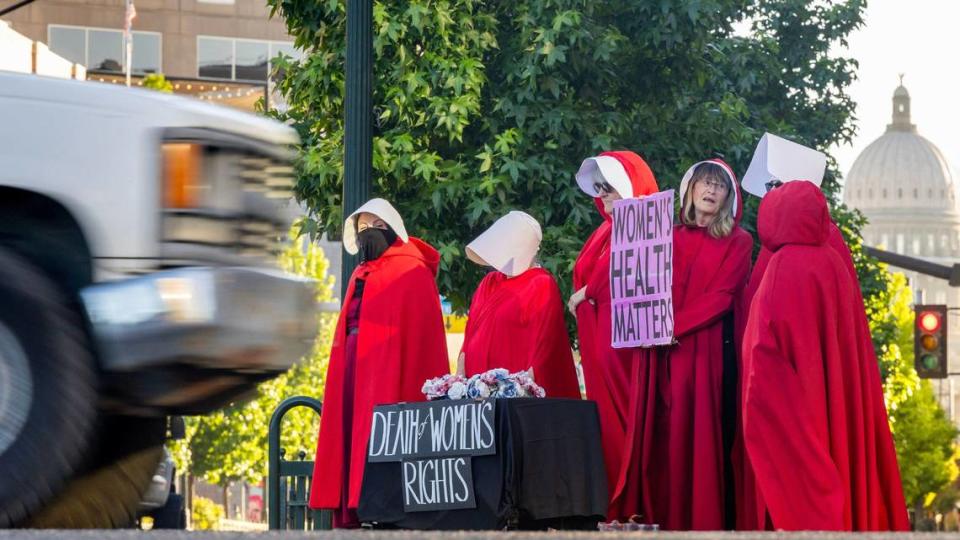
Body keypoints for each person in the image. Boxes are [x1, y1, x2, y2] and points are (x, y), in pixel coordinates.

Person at [740, 181, 909, 531]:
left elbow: (762, 354)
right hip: (835, 403)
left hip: (799, 405)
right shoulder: (834, 264)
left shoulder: (781, 267)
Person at [308, 198, 449, 528]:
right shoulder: (361, 271)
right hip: (353, 366)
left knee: (378, 434)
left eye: (375, 226)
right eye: (361, 228)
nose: (367, 233)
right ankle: (352, 507)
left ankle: (382, 507)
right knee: (351, 435)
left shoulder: (413, 270)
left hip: (388, 372)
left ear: (391, 229)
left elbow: (419, 343)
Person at [650, 160, 752, 530]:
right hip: (666, 355)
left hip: (712, 356)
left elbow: (723, 296)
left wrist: (672, 326)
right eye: (704, 183)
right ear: (690, 189)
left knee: (709, 445)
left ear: (728, 197)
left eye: (719, 186)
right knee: (669, 443)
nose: (710, 191)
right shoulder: (668, 237)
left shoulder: (739, 241)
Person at [569, 150, 660, 521]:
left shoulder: (639, 224)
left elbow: (625, 274)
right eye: (600, 187)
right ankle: (617, 501)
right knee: (609, 421)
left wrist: (587, 291)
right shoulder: (605, 230)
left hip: (624, 344)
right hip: (600, 342)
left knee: (627, 418)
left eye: (609, 186)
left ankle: (631, 503)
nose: (602, 193)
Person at [460, 211, 581, 399]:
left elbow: (545, 344)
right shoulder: (488, 282)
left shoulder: (541, 283)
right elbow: (469, 336)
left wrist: (521, 389)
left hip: (512, 390)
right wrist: (460, 382)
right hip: (476, 388)